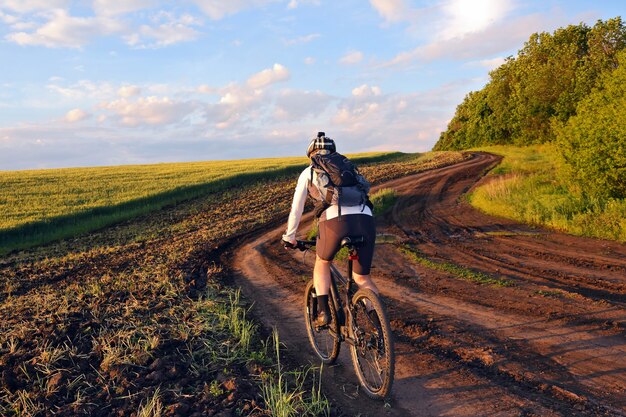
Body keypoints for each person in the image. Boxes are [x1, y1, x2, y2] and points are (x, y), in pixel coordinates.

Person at [282, 132, 379, 326]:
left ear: (312, 154)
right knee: (362, 277)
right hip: (365, 219)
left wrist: (290, 236)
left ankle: (324, 313)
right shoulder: (348, 169)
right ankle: (380, 327)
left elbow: (297, 208)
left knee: (322, 262)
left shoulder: (309, 171)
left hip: (335, 222)